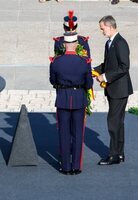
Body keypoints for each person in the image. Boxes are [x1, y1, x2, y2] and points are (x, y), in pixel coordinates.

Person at [49, 32, 93, 175]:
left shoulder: (56, 62)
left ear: (64, 45)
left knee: (64, 133)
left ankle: (65, 166)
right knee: (78, 133)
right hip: (79, 99)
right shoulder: (84, 61)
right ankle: (76, 166)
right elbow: (88, 83)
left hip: (62, 98)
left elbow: (53, 81)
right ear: (76, 45)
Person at [94, 15, 133, 165]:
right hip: (114, 89)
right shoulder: (109, 43)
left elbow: (124, 67)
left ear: (110, 27)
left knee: (113, 121)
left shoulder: (121, 43)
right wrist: (94, 70)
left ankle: (113, 155)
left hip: (120, 89)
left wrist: (105, 77)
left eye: (102, 28)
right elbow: (108, 64)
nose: (102, 31)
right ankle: (120, 153)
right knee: (118, 122)